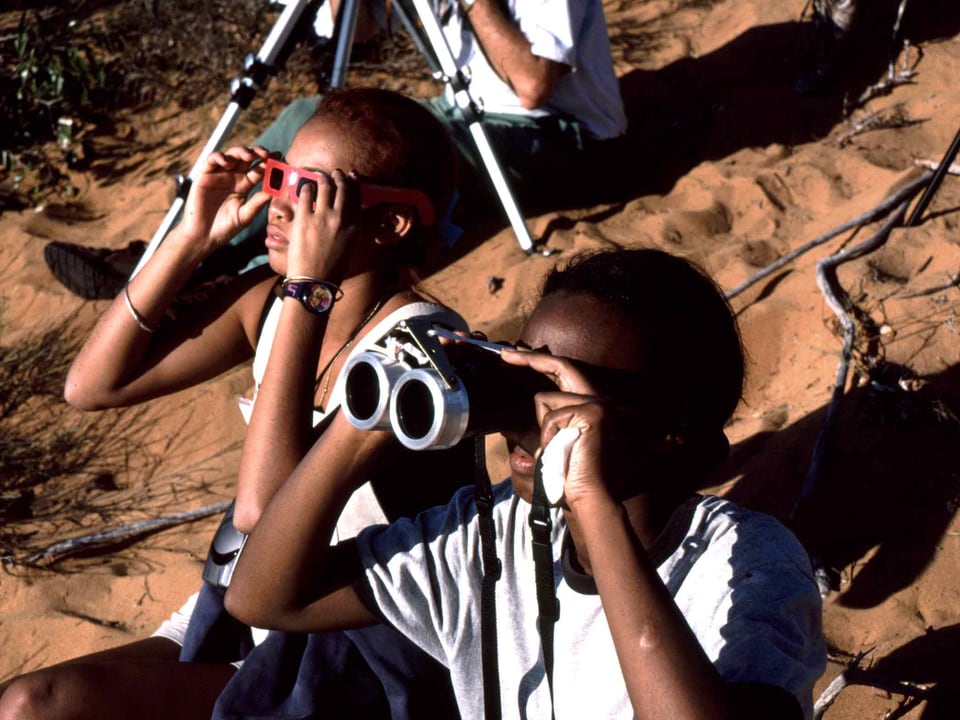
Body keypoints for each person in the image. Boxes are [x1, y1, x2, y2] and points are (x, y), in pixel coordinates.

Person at [0, 87, 468, 720]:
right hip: (244, 608)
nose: (277, 202)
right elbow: (90, 386)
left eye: (312, 193)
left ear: (390, 223)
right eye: (279, 176)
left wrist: (309, 289)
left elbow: (261, 510)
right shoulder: (272, 302)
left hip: (352, 648)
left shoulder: (426, 350)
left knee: (39, 705)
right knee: (21, 702)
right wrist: (192, 235)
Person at [225, 247, 828, 719]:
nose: (529, 406)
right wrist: (362, 427)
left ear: (668, 430)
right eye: (520, 365)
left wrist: (591, 502)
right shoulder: (490, 535)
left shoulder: (747, 561)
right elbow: (265, 598)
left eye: (559, 382)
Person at [44, 0, 628, 299]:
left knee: (344, 154)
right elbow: (365, 33)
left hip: (563, 136)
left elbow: (531, 84)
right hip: (468, 117)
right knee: (316, 120)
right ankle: (193, 257)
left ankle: (223, 278)